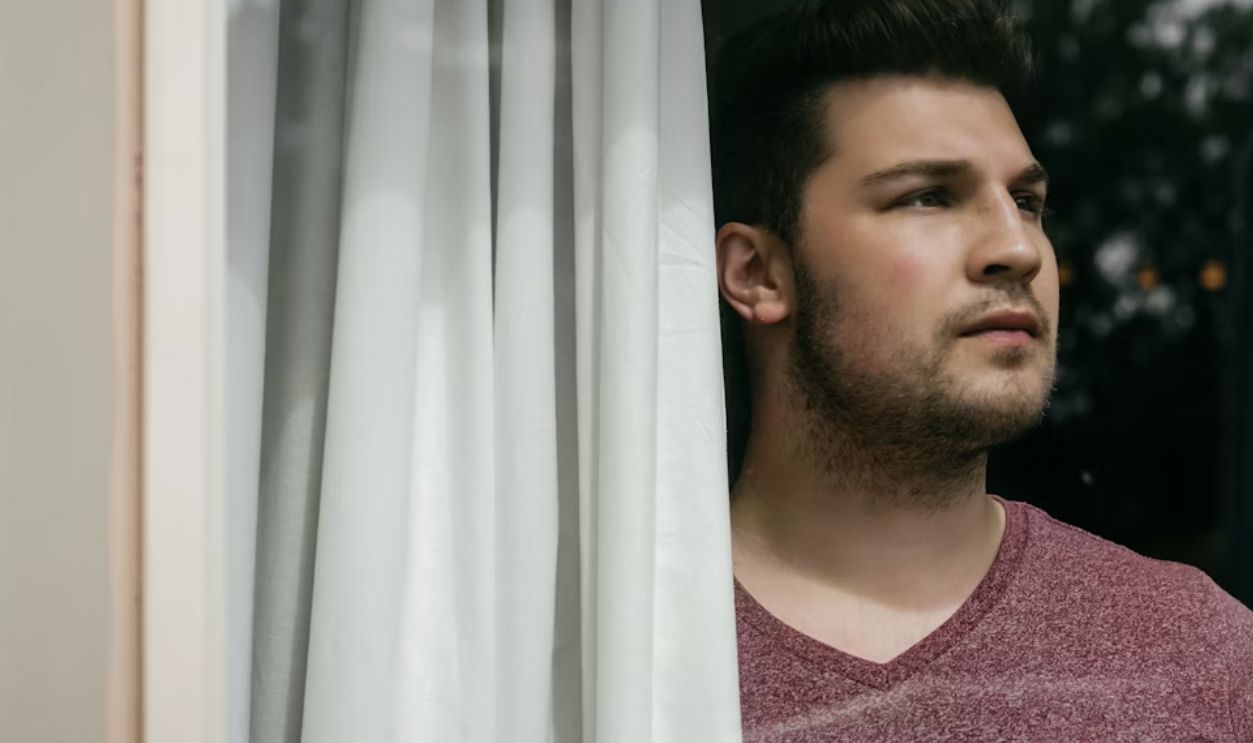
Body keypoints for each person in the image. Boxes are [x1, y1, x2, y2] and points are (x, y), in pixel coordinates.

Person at [710, 1, 1253, 740]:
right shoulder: (602, 653)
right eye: (928, 195)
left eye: (1026, 202)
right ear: (757, 273)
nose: (1019, 248)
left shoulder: (1199, 661)